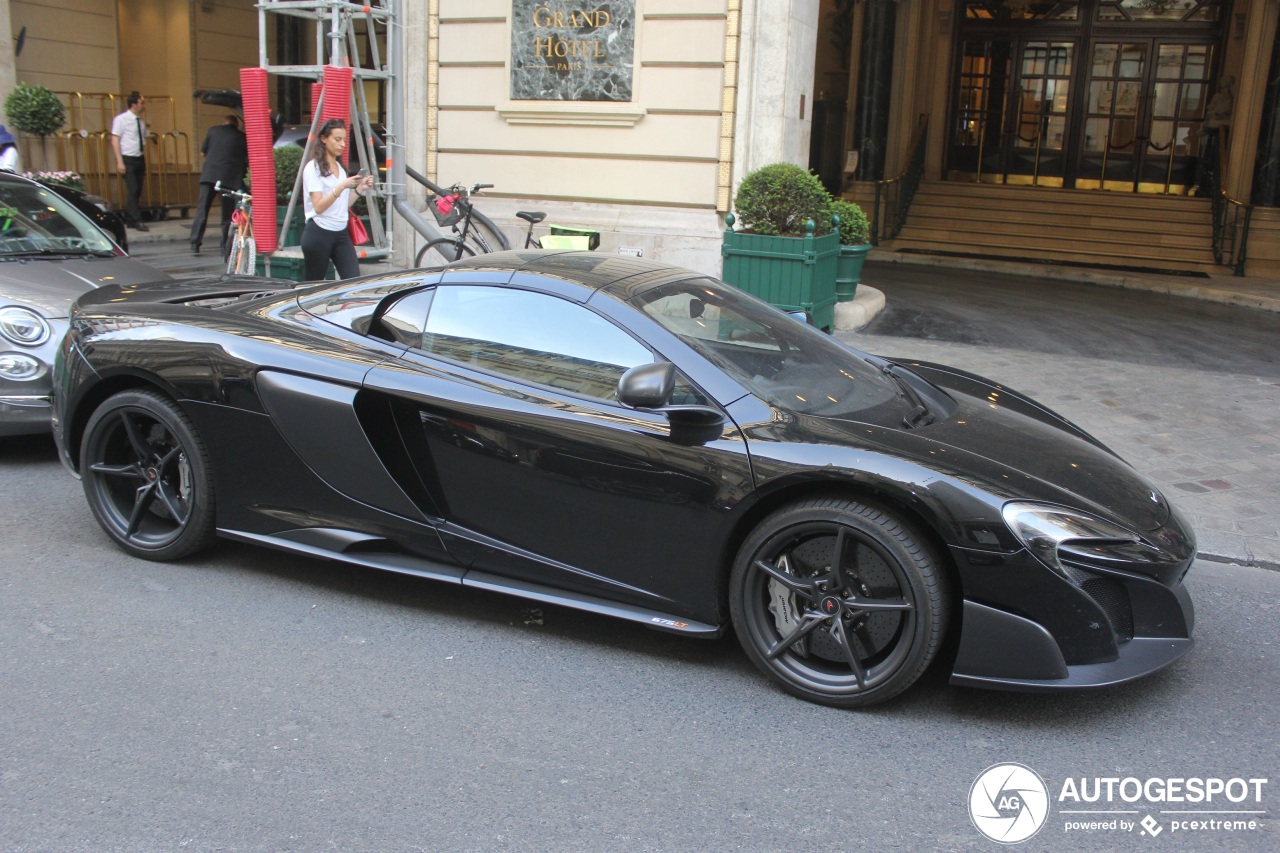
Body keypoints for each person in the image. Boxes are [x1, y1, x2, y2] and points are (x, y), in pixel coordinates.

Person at [300, 118, 374, 280]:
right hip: (319, 232)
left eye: (344, 140)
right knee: (314, 288)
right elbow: (318, 207)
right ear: (324, 139)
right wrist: (341, 186)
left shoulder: (340, 168)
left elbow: (342, 205)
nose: (342, 144)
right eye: (337, 139)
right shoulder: (313, 168)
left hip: (341, 233)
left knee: (353, 281)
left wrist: (360, 189)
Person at [188, 114, 248, 255]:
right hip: (228, 178)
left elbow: (203, 152)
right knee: (226, 214)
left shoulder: (213, 130)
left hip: (209, 175)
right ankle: (224, 245)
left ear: (224, 122)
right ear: (236, 124)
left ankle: (195, 243)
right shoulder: (241, 136)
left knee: (202, 210)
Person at [110, 92, 149, 231]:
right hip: (128, 158)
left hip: (139, 157)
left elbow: (143, 136)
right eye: (141, 103)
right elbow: (115, 140)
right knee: (133, 189)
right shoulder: (121, 119)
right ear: (134, 105)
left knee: (137, 189)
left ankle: (130, 219)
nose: (143, 106)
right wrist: (120, 161)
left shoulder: (140, 121)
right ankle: (136, 220)